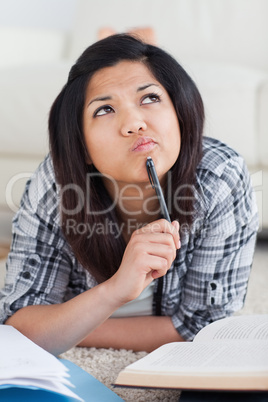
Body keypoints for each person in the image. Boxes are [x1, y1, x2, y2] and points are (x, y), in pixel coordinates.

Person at [0, 34, 258, 356]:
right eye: (105, 109)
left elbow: (203, 327)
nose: (134, 123)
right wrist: (115, 291)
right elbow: (20, 326)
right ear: (83, 148)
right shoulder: (55, 184)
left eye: (149, 98)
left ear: (180, 113)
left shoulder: (221, 178)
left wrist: (69, 327)